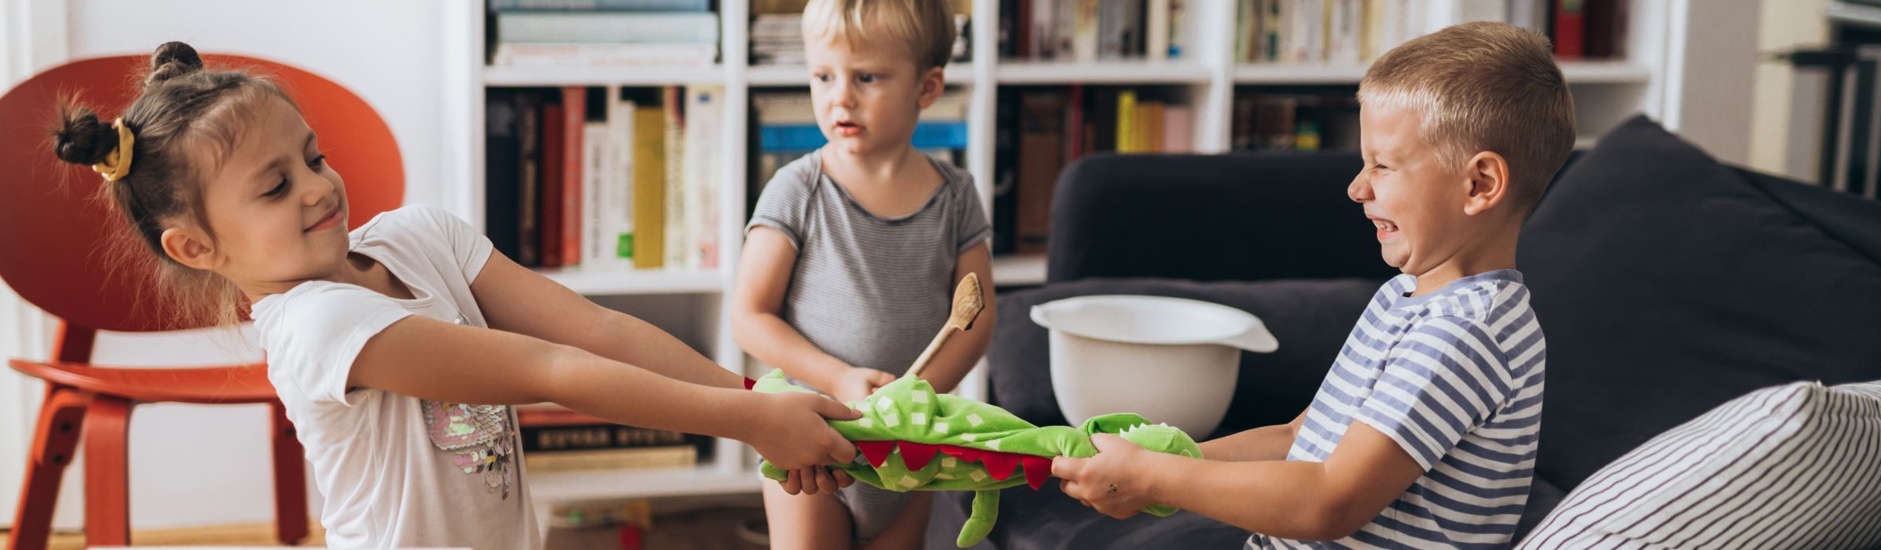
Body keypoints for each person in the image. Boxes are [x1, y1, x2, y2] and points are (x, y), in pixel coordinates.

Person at [49, 41, 860, 550]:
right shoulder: (317, 325)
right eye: (274, 186)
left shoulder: (420, 236)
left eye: (313, 157)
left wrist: (757, 399)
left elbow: (595, 329)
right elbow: (550, 369)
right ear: (197, 248)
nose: (317, 186)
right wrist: (752, 422)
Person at [1051, 22, 1571, 548]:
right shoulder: (1404, 297)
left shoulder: (1464, 334)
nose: (1356, 188)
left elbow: (1327, 501)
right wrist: (1162, 460)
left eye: (1382, 165)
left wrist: (1154, 478)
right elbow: (1297, 437)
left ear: (1479, 184)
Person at [731, 0, 996, 547]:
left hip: (908, 445)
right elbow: (749, 316)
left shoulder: (956, 197)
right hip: (810, 435)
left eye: (867, 77)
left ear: (927, 87)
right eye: (823, 76)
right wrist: (837, 378)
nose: (841, 97)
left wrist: (917, 398)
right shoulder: (797, 190)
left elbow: (978, 315)